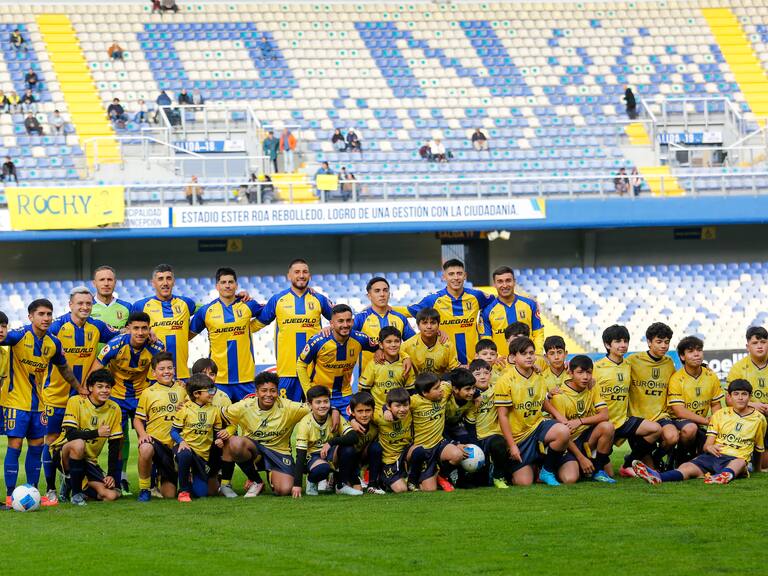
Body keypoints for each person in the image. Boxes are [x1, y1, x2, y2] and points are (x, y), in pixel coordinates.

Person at [0, 299, 79, 507]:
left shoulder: (53, 343)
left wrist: (79, 388)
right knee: (15, 445)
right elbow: (3, 338)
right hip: (15, 402)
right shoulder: (19, 336)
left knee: (36, 447)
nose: (46, 318)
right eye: (41, 314)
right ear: (30, 317)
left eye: (49, 314)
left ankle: (32, 491)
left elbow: (64, 368)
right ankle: (10, 495)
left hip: (39, 405)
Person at [43, 287, 118, 505]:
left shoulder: (97, 326)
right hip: (55, 396)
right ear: (70, 305)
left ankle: (73, 482)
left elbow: (122, 333)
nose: (85, 307)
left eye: (88, 303)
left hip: (83, 396)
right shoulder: (57, 326)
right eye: (80, 303)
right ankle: (50, 488)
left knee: (79, 442)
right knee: (51, 441)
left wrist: (148, 333)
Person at [634, 379, 766, 485]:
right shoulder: (720, 415)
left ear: (750, 397)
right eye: (736, 394)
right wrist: (710, 447)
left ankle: (723, 476)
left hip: (736, 458)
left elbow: (758, 447)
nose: (740, 398)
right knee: (687, 466)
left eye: (744, 394)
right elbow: (707, 445)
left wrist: (757, 469)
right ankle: (658, 477)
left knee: (740, 463)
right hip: (714, 456)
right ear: (729, 397)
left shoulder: (759, 419)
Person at [90, 312, 165, 495]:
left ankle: (152, 484)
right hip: (117, 398)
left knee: (150, 438)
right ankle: (116, 482)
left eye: (144, 328)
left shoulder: (157, 346)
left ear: (149, 329)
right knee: (117, 440)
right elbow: (95, 370)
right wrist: (88, 393)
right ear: (128, 328)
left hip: (142, 397)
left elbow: (163, 372)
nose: (140, 332)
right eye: (136, 328)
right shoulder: (115, 345)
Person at [220, 372, 312, 497]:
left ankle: (271, 473)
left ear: (277, 392)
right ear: (257, 392)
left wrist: (333, 411)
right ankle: (256, 481)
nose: (268, 394)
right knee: (235, 442)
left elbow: (315, 408)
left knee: (284, 490)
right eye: (264, 390)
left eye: (273, 391)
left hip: (279, 452)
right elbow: (219, 414)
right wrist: (229, 431)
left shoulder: (289, 407)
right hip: (254, 451)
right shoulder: (245, 406)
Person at [494, 337, 570, 486]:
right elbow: (502, 416)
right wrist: (512, 445)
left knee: (563, 432)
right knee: (524, 482)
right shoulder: (505, 380)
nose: (529, 357)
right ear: (513, 357)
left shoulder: (538, 376)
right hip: (518, 437)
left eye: (531, 353)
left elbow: (542, 401)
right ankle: (524, 466)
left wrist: (558, 416)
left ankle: (547, 470)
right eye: (523, 353)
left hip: (537, 426)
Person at [257, 258, 334, 401]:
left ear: (309, 275)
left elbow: (342, 320)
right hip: (287, 371)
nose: (301, 275)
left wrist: (331, 326)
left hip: (314, 371)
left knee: (317, 411)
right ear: (289, 276)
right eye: (297, 272)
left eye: (305, 272)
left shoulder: (319, 299)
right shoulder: (278, 299)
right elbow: (257, 324)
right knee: (287, 413)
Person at [593, 325, 662, 478]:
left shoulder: (630, 365)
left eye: (625, 341)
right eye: (618, 341)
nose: (623, 345)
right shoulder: (596, 367)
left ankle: (628, 463)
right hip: (603, 424)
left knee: (656, 429)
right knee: (608, 473)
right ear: (607, 345)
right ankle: (595, 461)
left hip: (623, 420)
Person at [189, 267, 264, 401]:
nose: (227, 285)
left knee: (249, 414)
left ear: (236, 285)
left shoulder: (248, 305)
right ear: (217, 286)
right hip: (218, 380)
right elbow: (187, 335)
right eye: (223, 282)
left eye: (230, 282)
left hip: (246, 379)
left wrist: (251, 327)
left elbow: (268, 313)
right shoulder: (206, 311)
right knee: (218, 414)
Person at [52, 369, 123, 506]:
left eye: (108, 387)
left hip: (89, 461)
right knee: (78, 444)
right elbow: (70, 434)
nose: (104, 390)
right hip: (64, 453)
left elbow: (114, 444)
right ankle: (76, 494)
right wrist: (97, 433)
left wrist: (111, 474)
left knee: (110, 495)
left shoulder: (114, 409)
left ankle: (73, 483)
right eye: (100, 386)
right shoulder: (76, 401)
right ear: (90, 387)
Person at [408, 259, 493, 365]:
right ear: (444, 277)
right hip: (446, 363)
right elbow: (410, 311)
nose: (456, 277)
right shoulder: (434, 299)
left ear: (465, 276)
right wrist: (389, 308)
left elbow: (495, 303)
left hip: (473, 362)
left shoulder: (477, 296)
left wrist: (483, 323)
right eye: (451, 274)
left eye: (459, 273)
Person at [297, 304, 379, 414]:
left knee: (356, 423)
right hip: (320, 396)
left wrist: (380, 351)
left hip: (345, 395)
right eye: (340, 321)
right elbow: (301, 364)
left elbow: (382, 346)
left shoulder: (360, 339)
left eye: (348, 321)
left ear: (352, 322)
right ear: (331, 323)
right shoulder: (318, 341)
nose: (345, 325)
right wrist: (309, 392)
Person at [549, 355, 616, 483]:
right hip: (567, 443)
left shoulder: (593, 387)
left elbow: (604, 415)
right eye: (580, 372)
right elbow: (562, 434)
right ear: (570, 373)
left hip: (586, 439)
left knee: (607, 426)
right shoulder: (559, 396)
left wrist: (579, 421)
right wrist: (581, 458)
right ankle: (568, 464)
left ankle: (598, 470)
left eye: (588, 372)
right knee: (570, 479)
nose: (585, 377)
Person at [134, 351, 186, 501]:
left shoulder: (183, 389)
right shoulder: (148, 392)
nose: (166, 372)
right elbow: (137, 419)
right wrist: (143, 435)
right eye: (162, 369)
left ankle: (160, 477)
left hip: (175, 444)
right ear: (154, 373)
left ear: (174, 369)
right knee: (145, 448)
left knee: (169, 495)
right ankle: (145, 489)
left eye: (169, 368)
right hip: (156, 442)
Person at [132, 264, 197, 380]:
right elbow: (129, 331)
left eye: (168, 278)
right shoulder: (141, 306)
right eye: (160, 279)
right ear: (153, 283)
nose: (165, 283)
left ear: (174, 282)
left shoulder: (186, 303)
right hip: (153, 377)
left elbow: (206, 312)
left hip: (182, 375)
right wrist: (147, 331)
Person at [628, 322, 678, 470]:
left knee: (672, 437)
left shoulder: (669, 363)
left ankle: (655, 458)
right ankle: (633, 461)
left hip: (660, 415)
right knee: (652, 471)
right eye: (659, 342)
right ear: (649, 342)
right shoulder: (633, 360)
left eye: (667, 342)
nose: (664, 346)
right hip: (638, 418)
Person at [407, 372, 468, 492]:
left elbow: (457, 379)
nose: (440, 390)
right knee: (430, 489)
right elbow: (397, 402)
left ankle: (442, 475)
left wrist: (476, 394)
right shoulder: (414, 401)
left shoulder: (444, 391)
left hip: (440, 443)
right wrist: (386, 410)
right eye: (436, 388)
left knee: (457, 455)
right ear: (425, 393)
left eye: (439, 386)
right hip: (424, 448)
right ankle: (416, 474)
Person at [667, 336, 724, 466]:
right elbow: (679, 411)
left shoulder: (711, 376)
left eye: (699, 350)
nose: (696, 354)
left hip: (701, 423)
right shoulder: (676, 379)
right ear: (682, 356)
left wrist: (716, 422)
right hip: (678, 421)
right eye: (691, 351)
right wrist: (706, 421)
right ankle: (679, 457)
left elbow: (715, 404)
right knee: (690, 428)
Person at [171, 374, 224, 502]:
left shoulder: (215, 411)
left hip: (202, 456)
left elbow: (217, 433)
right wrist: (181, 442)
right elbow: (173, 431)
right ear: (196, 394)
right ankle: (183, 491)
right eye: (209, 391)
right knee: (185, 454)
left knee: (201, 493)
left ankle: (189, 478)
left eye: (213, 390)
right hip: (186, 448)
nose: (213, 393)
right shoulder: (184, 409)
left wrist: (219, 440)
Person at [292, 385, 350, 497]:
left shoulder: (334, 417)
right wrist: (297, 484)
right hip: (312, 457)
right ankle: (311, 481)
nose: (322, 405)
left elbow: (353, 436)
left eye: (325, 402)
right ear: (310, 405)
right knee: (323, 469)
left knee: (349, 449)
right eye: (318, 402)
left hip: (330, 453)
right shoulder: (305, 423)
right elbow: (300, 455)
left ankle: (340, 484)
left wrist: (331, 442)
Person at [353, 276, 415, 375]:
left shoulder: (400, 318)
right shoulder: (360, 318)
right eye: (377, 291)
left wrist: (405, 356)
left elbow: (413, 343)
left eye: (385, 290)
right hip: (367, 378)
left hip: (397, 377)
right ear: (369, 296)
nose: (382, 294)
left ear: (389, 294)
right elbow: (345, 335)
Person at [727, 326, 768, 468]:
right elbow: (729, 400)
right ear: (747, 346)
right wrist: (751, 405)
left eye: (763, 342)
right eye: (755, 343)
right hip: (749, 417)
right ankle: (746, 456)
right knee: (763, 464)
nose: (760, 346)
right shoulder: (738, 368)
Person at [466, 358, 510, 488]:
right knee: (481, 482)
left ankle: (498, 476)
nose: (482, 377)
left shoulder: (496, 390)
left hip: (492, 434)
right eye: (477, 374)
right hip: (476, 436)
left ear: (490, 375)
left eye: (486, 373)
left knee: (499, 444)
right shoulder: (469, 395)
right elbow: (469, 422)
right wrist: (473, 442)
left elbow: (511, 379)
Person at [481, 266, 544, 354]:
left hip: (527, 359)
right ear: (494, 284)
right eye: (500, 281)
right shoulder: (487, 311)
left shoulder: (530, 304)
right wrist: (497, 358)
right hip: (501, 361)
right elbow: (487, 340)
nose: (505, 285)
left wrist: (536, 355)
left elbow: (538, 334)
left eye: (508, 280)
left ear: (514, 282)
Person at [327, 391, 380, 495]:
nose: (364, 415)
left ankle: (373, 484)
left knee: (376, 447)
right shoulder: (346, 424)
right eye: (360, 411)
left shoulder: (375, 425)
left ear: (373, 411)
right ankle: (340, 480)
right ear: (353, 412)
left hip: (358, 459)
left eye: (368, 410)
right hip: (341, 458)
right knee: (348, 449)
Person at [359, 326, 415, 411]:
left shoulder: (406, 364)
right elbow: (365, 390)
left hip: (400, 411)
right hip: (378, 411)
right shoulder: (373, 364)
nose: (393, 345)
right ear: (381, 344)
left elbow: (411, 391)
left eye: (397, 341)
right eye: (388, 342)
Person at [374, 387, 413, 493]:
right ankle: (381, 477)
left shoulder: (410, 410)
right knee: (401, 489)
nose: (402, 409)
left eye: (405, 405)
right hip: (389, 459)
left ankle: (414, 479)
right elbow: (361, 415)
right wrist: (384, 410)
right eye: (397, 406)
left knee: (419, 450)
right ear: (389, 406)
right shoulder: (378, 416)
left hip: (405, 453)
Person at [402, 308, 460, 375]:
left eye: (433, 323)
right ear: (418, 326)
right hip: (416, 381)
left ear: (438, 325)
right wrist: (405, 358)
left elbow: (454, 370)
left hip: (441, 380)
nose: (429, 326)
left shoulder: (448, 345)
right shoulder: (407, 346)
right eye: (424, 323)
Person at [90, 265, 132, 335]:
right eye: (102, 280)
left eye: (109, 280)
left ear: (115, 282)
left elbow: (133, 330)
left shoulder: (127, 307)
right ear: (94, 283)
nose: (106, 284)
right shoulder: (87, 307)